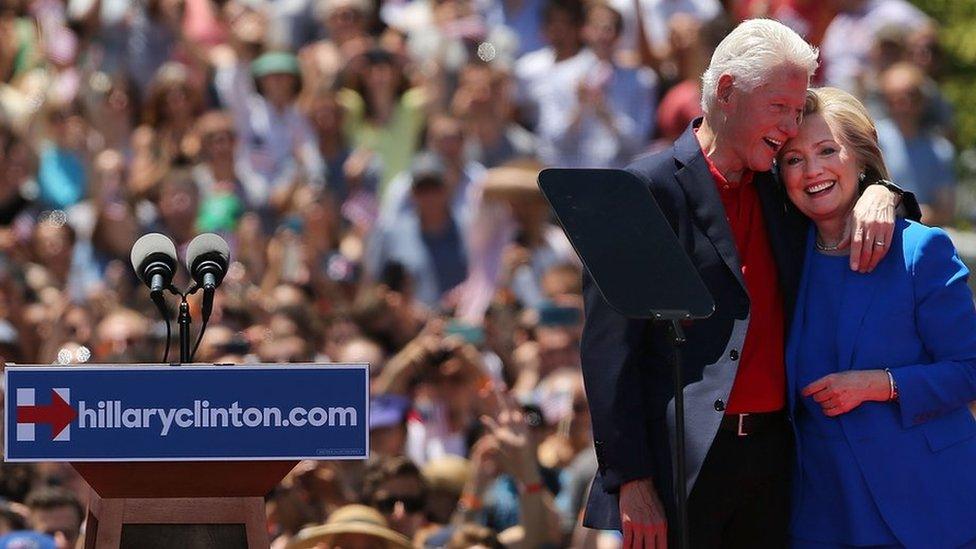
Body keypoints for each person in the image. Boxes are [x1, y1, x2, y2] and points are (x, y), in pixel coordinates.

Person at [579, 19, 918, 548]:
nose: (789, 127)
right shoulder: (644, 190)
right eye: (779, 107)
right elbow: (608, 353)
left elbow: (844, 175)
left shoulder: (781, 187)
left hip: (778, 466)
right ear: (728, 92)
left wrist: (883, 192)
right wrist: (632, 480)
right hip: (681, 475)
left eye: (797, 109)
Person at [778, 86, 976, 548]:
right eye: (793, 159)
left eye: (828, 150)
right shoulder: (781, 256)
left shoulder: (919, 249)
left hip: (928, 505)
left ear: (860, 157)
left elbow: (970, 369)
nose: (813, 171)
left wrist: (880, 384)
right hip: (822, 511)